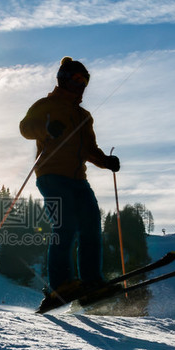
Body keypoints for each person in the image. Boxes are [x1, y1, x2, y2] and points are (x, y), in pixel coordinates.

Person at [19, 56, 120, 306]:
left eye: (84, 80)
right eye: (76, 79)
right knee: (65, 224)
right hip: (51, 175)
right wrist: (46, 127)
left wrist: (106, 161)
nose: (81, 84)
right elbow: (25, 127)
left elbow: (89, 148)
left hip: (78, 180)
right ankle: (61, 284)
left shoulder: (84, 116)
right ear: (63, 78)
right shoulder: (46, 104)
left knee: (91, 225)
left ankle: (90, 281)